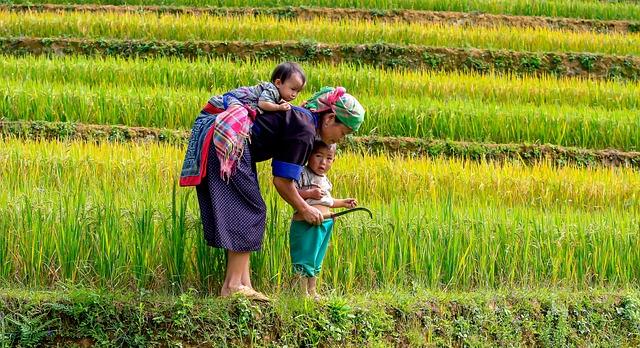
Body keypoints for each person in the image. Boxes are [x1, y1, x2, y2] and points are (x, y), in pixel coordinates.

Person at [180, 85, 365, 301]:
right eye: (343, 132)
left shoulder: (301, 122)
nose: (340, 139)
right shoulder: (304, 130)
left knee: (244, 209)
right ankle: (232, 286)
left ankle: (242, 284)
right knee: (251, 210)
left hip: (224, 139)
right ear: (330, 118)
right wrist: (304, 208)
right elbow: (282, 182)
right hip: (230, 142)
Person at [290, 141, 357, 299]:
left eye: (329, 158)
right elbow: (292, 192)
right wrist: (309, 193)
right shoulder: (302, 173)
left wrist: (343, 203)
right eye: (318, 156)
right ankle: (300, 293)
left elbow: (329, 201)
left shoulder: (325, 179)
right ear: (309, 155)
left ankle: (312, 291)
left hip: (325, 223)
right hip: (307, 223)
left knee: (316, 259)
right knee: (305, 257)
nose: (323, 162)